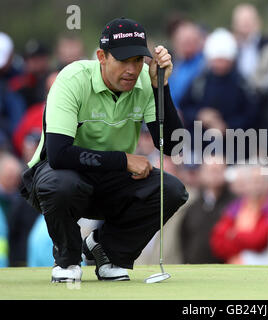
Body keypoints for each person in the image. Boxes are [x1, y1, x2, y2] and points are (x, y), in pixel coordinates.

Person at [20, 18, 189, 283]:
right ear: (102, 56)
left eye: (137, 60)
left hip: (110, 180)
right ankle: (67, 259)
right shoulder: (72, 79)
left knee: (172, 190)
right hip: (60, 174)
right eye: (123, 60)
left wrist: (161, 88)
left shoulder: (145, 81)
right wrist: (123, 161)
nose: (132, 69)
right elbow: (59, 154)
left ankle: (107, 252)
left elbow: (173, 146)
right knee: (61, 184)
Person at [210, 165, 268, 264]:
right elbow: (218, 241)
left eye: (260, 181)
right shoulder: (235, 208)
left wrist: (234, 235)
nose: (256, 186)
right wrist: (240, 251)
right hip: (235, 266)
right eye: (252, 181)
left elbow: (258, 240)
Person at [180, 155, 236, 263]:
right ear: (201, 174)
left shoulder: (235, 205)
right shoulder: (192, 206)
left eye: (218, 170)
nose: (214, 174)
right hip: (195, 267)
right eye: (211, 170)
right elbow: (184, 237)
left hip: (226, 268)